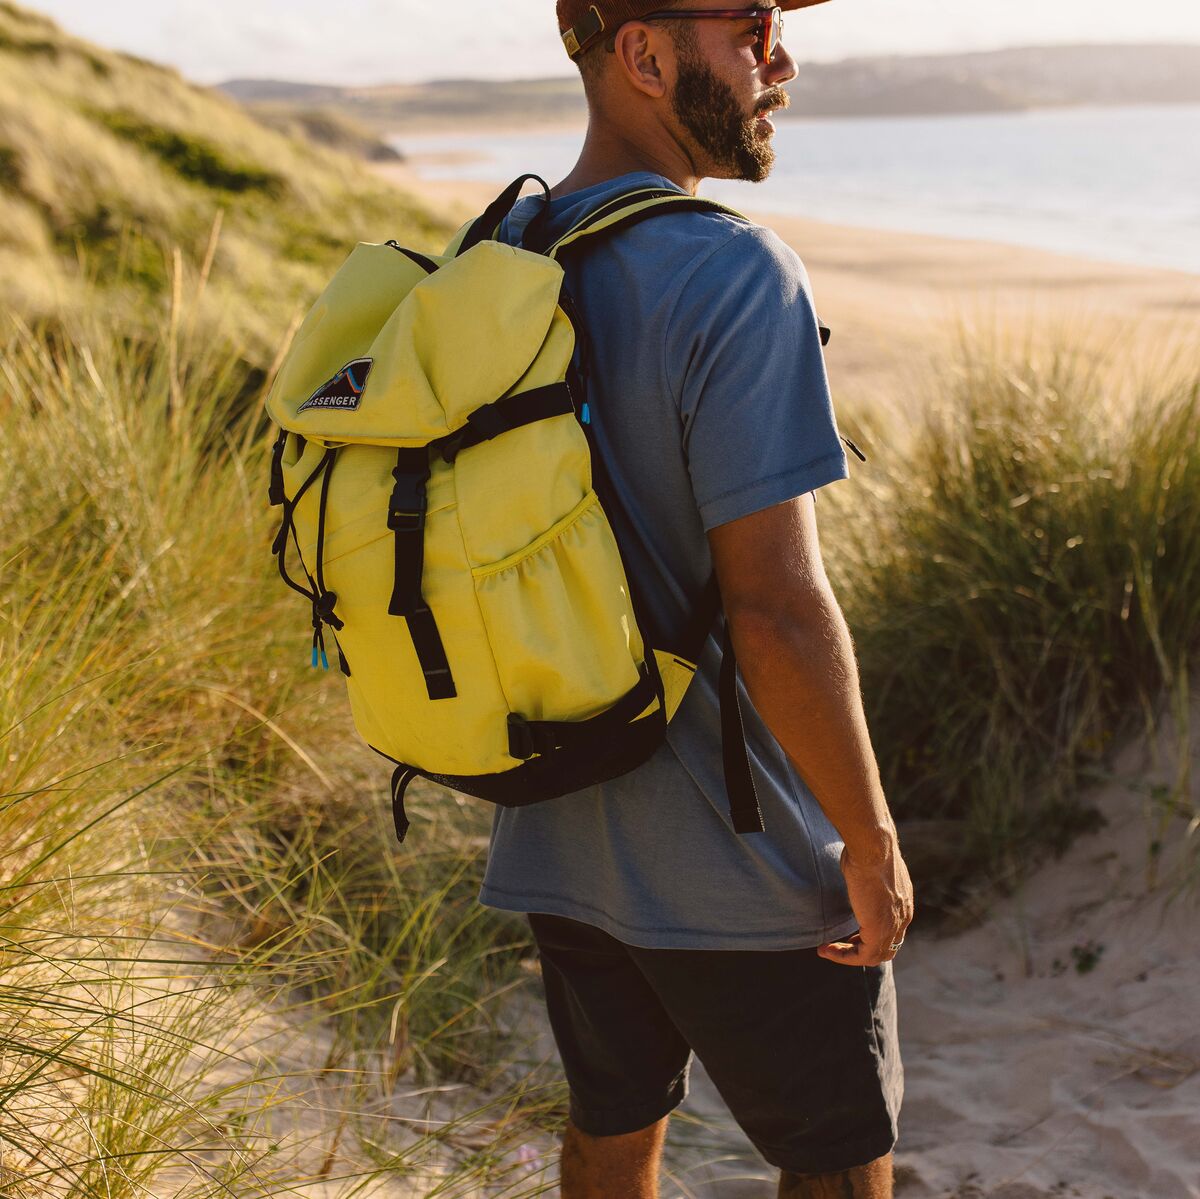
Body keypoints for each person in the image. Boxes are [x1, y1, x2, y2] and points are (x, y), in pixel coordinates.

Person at [484, 2, 915, 1195]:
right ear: (644, 55)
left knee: (610, 1133)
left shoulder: (505, 251)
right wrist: (870, 843)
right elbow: (776, 609)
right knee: (838, 1159)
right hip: (743, 859)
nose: (779, 61)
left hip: (558, 827)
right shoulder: (735, 269)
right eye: (751, 27)